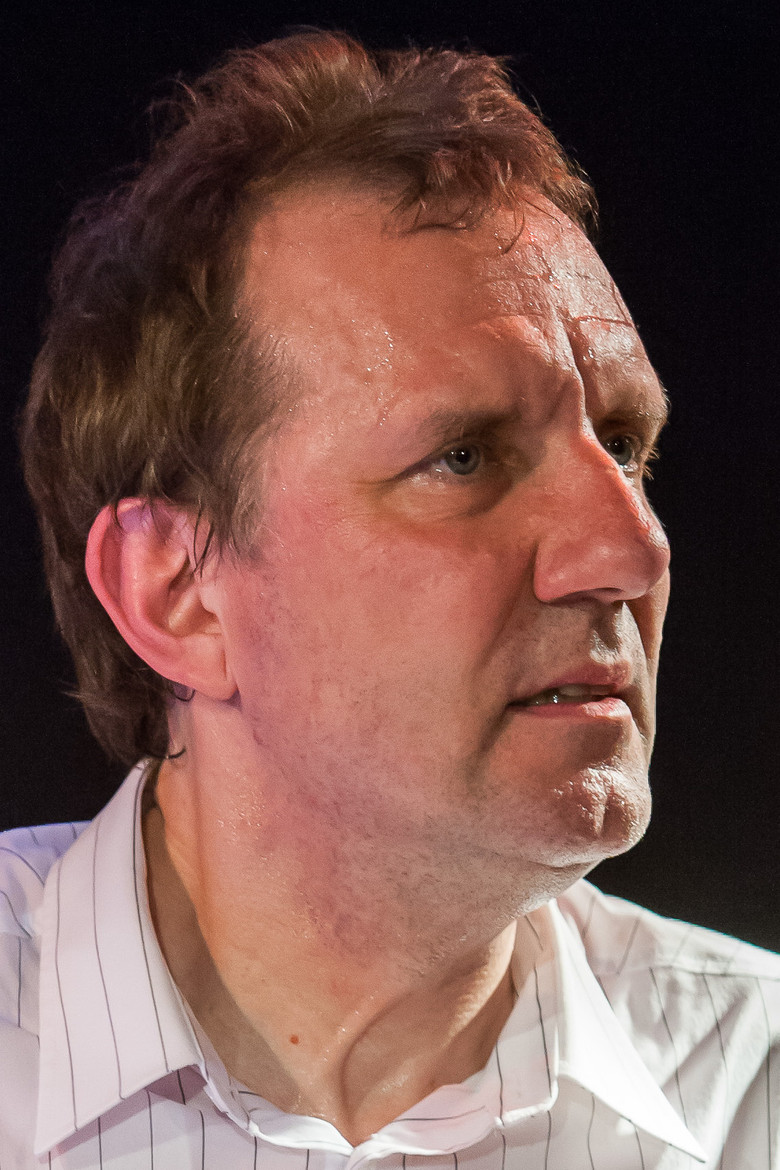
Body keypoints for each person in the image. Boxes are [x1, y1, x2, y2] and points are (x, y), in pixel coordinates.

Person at [1, 29, 777, 1168]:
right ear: (180, 595)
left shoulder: (755, 1087)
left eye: (623, 445)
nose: (632, 547)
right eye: (463, 457)